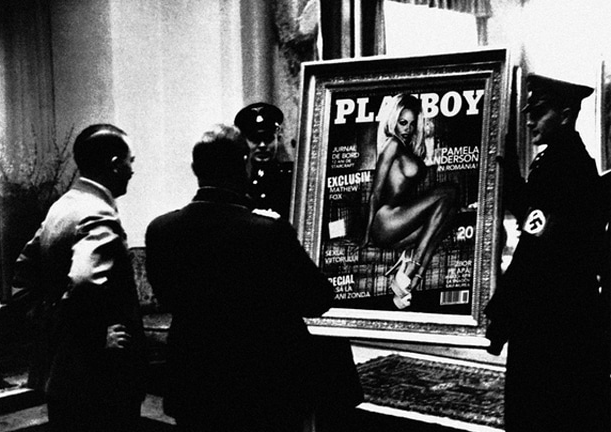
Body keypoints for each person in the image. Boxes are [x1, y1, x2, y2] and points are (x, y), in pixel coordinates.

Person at [145, 124, 352, 432]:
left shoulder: (161, 230)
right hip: (262, 383)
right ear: (245, 165)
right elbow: (318, 299)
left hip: (195, 378)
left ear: (195, 169)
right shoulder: (268, 231)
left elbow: (167, 297)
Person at [484, 74, 611, 432]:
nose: (530, 121)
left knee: (544, 407)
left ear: (566, 115)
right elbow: (532, 212)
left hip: (553, 313)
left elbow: (534, 250)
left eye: (539, 113)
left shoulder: (565, 166)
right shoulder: (559, 159)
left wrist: (502, 313)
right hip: (561, 306)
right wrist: (508, 166)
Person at [11, 124, 146, 432]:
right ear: (115, 164)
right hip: (100, 383)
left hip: (62, 375)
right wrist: (95, 337)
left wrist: (53, 327)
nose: (132, 170)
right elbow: (85, 282)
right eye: (131, 161)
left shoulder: (62, 207)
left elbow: (22, 279)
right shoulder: (99, 214)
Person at [362, 93, 457, 309]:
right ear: (393, 120)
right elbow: (375, 193)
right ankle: (413, 265)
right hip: (385, 222)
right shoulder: (392, 144)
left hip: (399, 225)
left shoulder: (407, 148)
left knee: (450, 215)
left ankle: (411, 280)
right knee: (449, 191)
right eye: (403, 122)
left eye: (412, 124)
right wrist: (367, 236)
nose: (407, 128)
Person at [234, 102, 294, 219]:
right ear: (244, 142)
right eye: (255, 139)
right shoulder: (237, 180)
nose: (262, 145)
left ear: (278, 139)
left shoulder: (291, 176)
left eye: (268, 139)